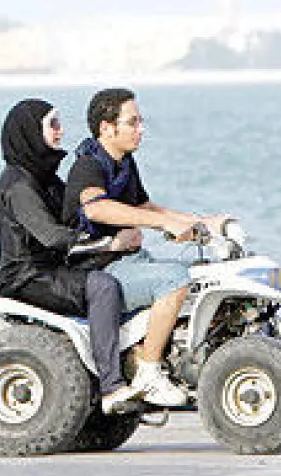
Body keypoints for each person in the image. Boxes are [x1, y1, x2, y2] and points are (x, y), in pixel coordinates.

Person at [62, 88, 229, 407]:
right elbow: (97, 208)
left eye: (141, 121)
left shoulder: (124, 163)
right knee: (174, 280)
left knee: (197, 276)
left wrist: (200, 222)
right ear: (107, 128)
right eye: (133, 122)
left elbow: (146, 207)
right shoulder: (88, 165)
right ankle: (148, 373)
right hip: (94, 270)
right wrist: (163, 225)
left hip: (128, 260)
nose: (141, 129)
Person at [0, 99, 143, 413]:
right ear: (31, 132)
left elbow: (77, 220)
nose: (61, 132)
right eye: (53, 125)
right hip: (26, 276)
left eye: (59, 123)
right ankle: (112, 385)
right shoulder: (18, 184)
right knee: (102, 286)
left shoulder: (47, 179)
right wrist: (110, 244)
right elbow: (53, 236)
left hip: (55, 269)